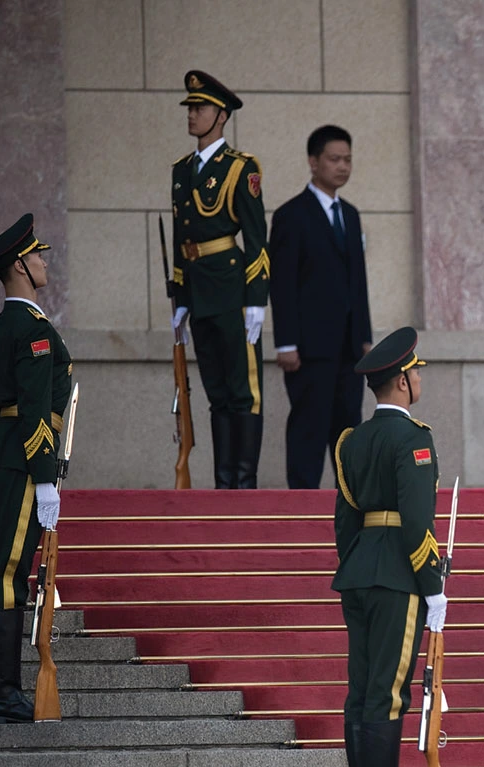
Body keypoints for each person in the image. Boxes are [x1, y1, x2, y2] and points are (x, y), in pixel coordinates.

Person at [331, 327, 446, 767]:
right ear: (401, 382)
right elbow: (417, 521)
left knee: (362, 688)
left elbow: (345, 519)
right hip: (400, 574)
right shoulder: (413, 439)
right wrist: (434, 583)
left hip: (359, 570)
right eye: (415, 372)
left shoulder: (353, 440)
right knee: (388, 690)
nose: (419, 379)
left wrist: (358, 563)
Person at [0, 214, 73, 723]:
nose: (44, 261)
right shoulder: (33, 329)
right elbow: (34, 410)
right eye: (37, 256)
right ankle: (3, 692)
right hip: (22, 463)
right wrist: (46, 475)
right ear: (19, 267)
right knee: (8, 575)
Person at [170, 70, 269, 489]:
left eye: (201, 108)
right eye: (191, 108)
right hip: (199, 292)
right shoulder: (180, 170)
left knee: (242, 392)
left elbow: (257, 239)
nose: (193, 115)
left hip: (231, 290)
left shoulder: (240, 169)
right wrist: (180, 296)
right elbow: (180, 239)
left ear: (222, 115)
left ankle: (242, 485)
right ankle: (222, 484)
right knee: (215, 393)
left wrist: (256, 300)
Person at [269, 124, 373, 489]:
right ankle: (300, 514)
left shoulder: (351, 214)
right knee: (309, 430)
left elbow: (358, 284)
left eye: (347, 159)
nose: (342, 166)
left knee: (349, 433)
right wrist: (286, 343)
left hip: (349, 349)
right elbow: (281, 284)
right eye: (334, 159)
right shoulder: (291, 216)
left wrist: (364, 338)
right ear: (313, 162)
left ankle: (351, 512)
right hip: (308, 350)